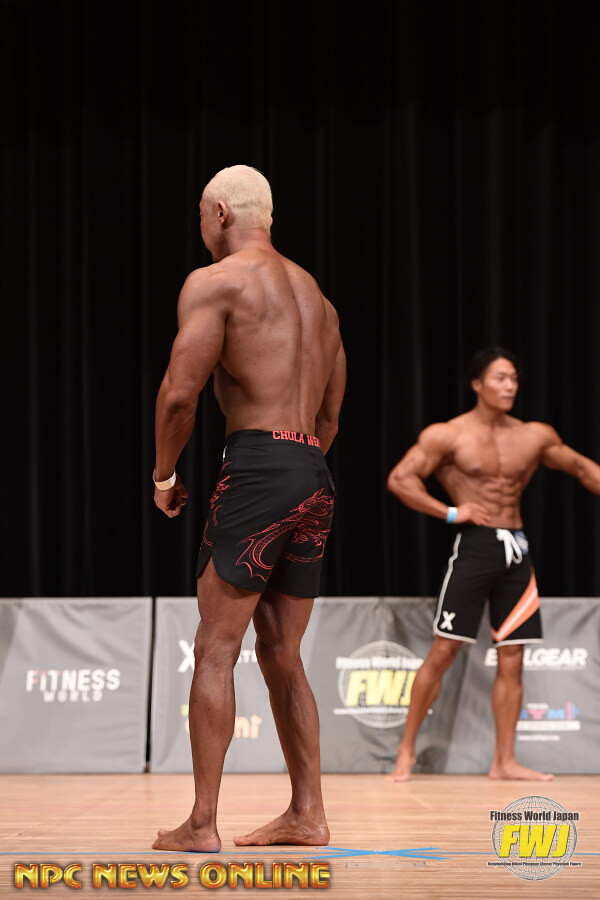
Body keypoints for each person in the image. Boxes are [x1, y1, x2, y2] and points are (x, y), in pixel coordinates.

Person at [150, 165, 345, 852]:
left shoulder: (217, 282)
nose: (201, 228)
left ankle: (201, 823)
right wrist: (296, 469)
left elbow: (180, 394)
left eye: (202, 215)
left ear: (221, 213)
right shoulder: (319, 300)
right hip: (313, 471)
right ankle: (308, 813)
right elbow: (329, 417)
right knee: (284, 652)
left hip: (259, 467)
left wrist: (164, 475)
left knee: (215, 647)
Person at [385, 346, 600, 783]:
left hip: (516, 548)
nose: (510, 386)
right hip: (476, 546)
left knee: (513, 658)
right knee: (444, 651)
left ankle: (504, 761)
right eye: (501, 378)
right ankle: (405, 751)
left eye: (515, 379)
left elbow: (582, 468)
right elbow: (400, 479)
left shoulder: (534, 435)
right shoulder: (448, 435)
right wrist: (450, 512)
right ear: (477, 384)